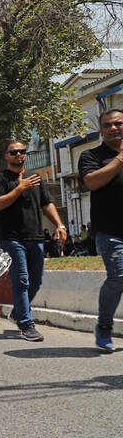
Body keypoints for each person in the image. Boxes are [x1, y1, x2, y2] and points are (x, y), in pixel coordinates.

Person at [0, 140, 67, 342]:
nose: (19, 155)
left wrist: (60, 225)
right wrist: (19, 188)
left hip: (36, 237)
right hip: (12, 238)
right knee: (22, 280)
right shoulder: (0, 178)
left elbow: (47, 203)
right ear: (6, 155)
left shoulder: (36, 178)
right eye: (14, 152)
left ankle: (18, 313)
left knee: (37, 280)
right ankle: (27, 324)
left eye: (22, 152)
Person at [78, 108, 123, 353]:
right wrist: (120, 159)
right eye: (108, 125)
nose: (114, 128)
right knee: (118, 277)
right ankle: (104, 327)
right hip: (110, 231)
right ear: (102, 130)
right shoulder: (91, 155)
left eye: (118, 124)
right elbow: (92, 182)